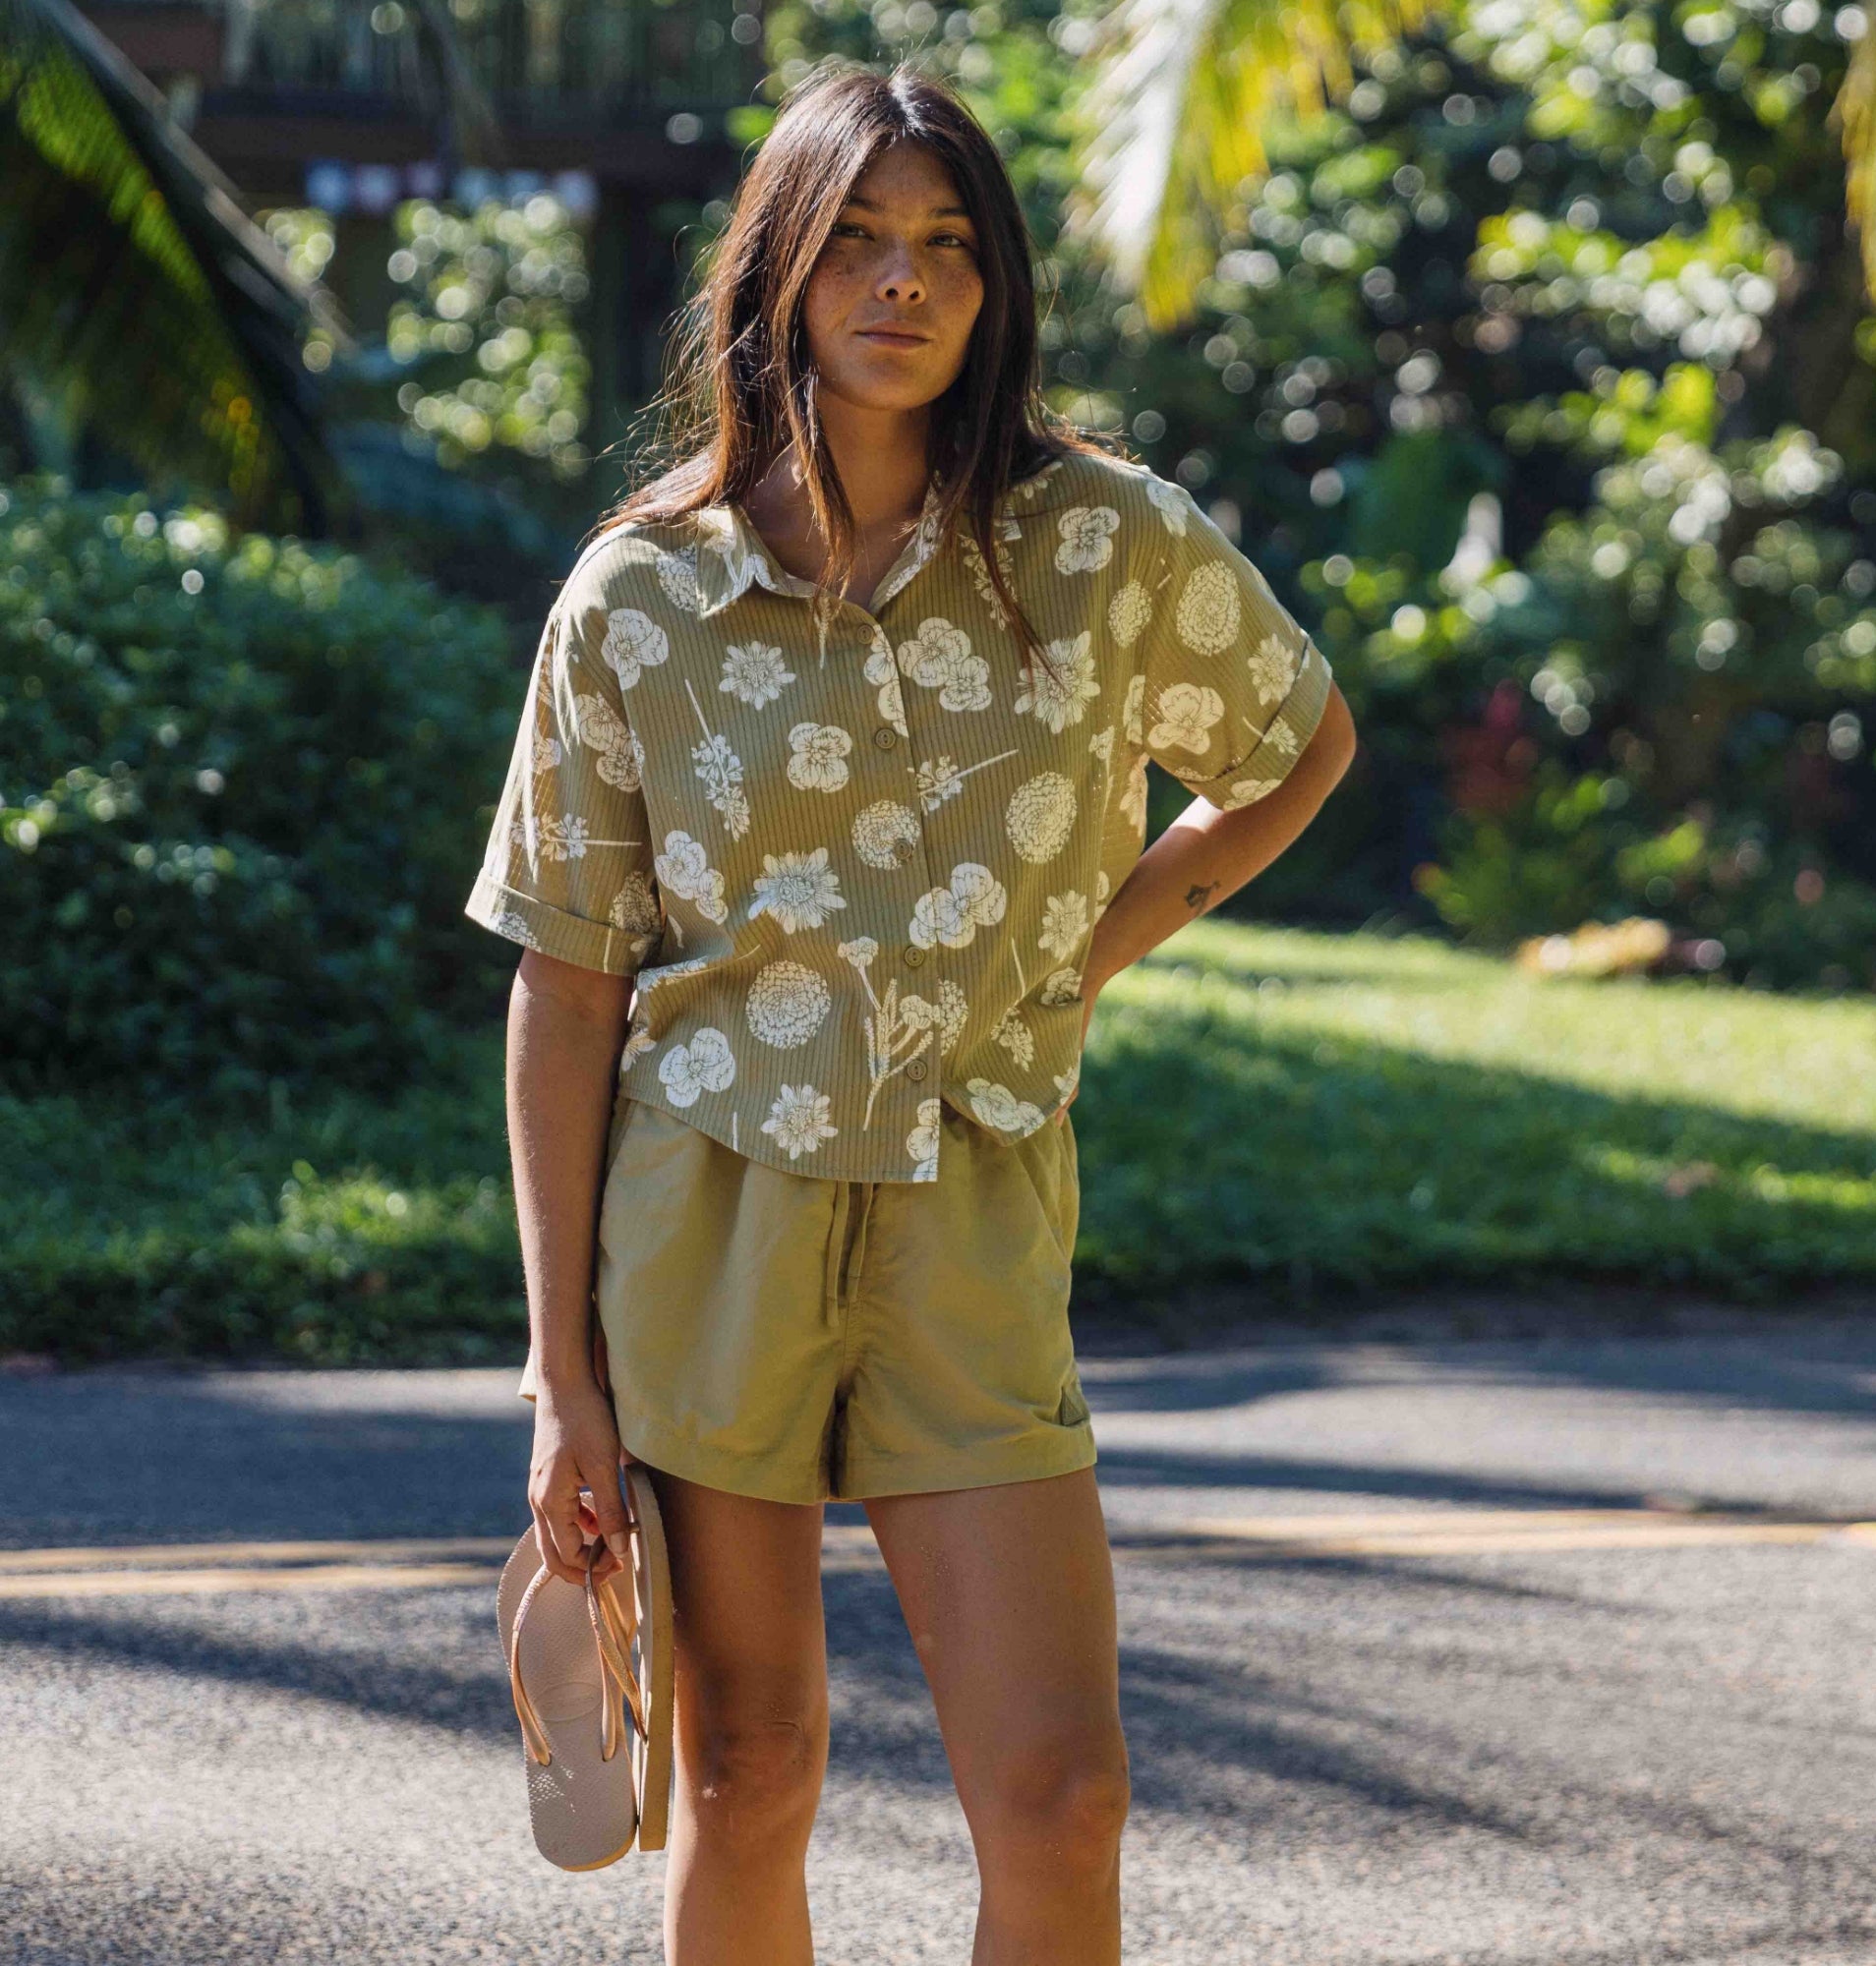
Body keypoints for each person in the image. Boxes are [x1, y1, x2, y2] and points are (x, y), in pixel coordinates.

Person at [464, 54, 1357, 1966]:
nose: (903, 281)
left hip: (975, 1208)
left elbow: (1292, 746)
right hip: (706, 1217)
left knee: (1061, 1787)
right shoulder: (641, 596)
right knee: (756, 1766)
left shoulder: (1103, 547)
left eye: (947, 244)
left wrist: (1088, 949)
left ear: (996, 284)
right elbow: (565, 982)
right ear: (777, 266)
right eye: (859, 236)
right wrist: (562, 1382)